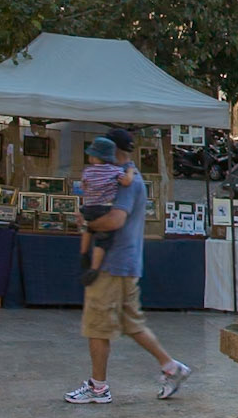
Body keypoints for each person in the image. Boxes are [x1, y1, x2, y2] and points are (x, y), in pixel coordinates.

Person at [65, 129, 190, 404]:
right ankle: (172, 368)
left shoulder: (125, 183)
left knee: (96, 326)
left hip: (112, 265)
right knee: (132, 323)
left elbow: (114, 221)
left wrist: (86, 223)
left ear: (114, 152)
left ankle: (98, 388)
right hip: (126, 263)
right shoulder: (126, 178)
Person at [76, 135, 138, 285]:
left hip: (88, 207)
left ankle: (83, 252)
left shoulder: (87, 171)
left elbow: (83, 186)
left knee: (87, 229)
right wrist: (130, 171)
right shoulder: (114, 171)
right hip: (103, 208)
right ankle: (94, 268)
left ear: (93, 157)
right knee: (102, 240)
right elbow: (126, 182)